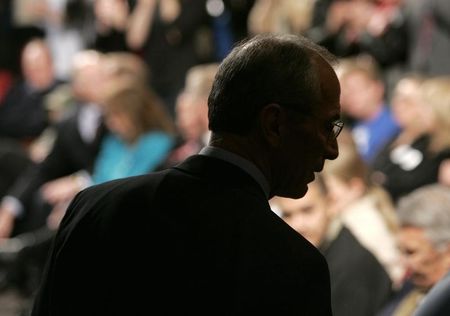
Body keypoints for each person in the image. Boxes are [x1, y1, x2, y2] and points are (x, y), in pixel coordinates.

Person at [31, 33, 342, 315]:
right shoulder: (292, 267)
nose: (332, 149)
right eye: (327, 126)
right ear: (274, 124)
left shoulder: (93, 206)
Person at [273, 176, 393, 316]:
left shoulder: (349, 263)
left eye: (307, 210)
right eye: (287, 215)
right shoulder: (314, 255)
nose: (297, 225)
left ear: (330, 203)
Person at [376, 184, 450, 316]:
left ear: (447, 251)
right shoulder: (410, 288)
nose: (403, 262)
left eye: (411, 252)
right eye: (401, 251)